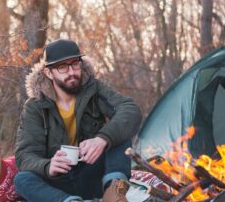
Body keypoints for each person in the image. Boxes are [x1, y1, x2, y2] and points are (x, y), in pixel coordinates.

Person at [14, 39, 142, 202]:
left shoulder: (93, 89)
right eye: (62, 67)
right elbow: (25, 155)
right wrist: (48, 166)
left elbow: (130, 109)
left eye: (75, 64)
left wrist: (102, 139)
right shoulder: (35, 107)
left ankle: (114, 193)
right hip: (58, 182)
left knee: (118, 136)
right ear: (48, 73)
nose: (71, 72)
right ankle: (70, 201)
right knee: (22, 179)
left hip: (94, 174)